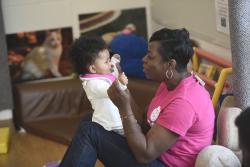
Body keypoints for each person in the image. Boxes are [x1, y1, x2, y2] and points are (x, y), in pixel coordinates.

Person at [59, 28, 215, 167]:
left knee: (89, 131)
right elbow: (142, 121)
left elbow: (144, 155)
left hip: (157, 160)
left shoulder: (184, 102)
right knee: (91, 119)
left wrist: (124, 108)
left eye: (151, 56)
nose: (144, 59)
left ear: (170, 65)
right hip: (152, 154)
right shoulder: (169, 84)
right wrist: (122, 88)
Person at [70, 36, 128, 135]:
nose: (110, 64)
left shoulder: (102, 75)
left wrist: (113, 62)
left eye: (109, 59)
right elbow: (111, 91)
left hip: (118, 122)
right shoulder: (92, 84)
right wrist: (121, 83)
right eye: (106, 61)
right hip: (110, 126)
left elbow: (113, 74)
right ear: (93, 69)